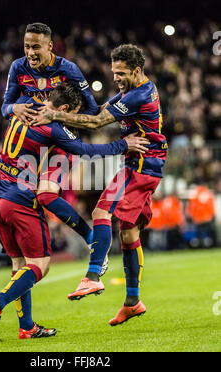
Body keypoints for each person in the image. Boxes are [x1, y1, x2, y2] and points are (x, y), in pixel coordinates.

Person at [0, 82, 150, 340]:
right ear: (64, 109)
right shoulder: (54, 128)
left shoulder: (24, 108)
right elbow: (86, 150)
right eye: (73, 112)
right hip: (20, 201)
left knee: (20, 264)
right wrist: (123, 145)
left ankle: (26, 327)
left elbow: (7, 105)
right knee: (40, 265)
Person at [0, 22, 100, 276]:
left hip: (59, 140)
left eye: (36, 46)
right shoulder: (18, 67)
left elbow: (92, 110)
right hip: (29, 141)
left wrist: (56, 118)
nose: (31, 52)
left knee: (47, 195)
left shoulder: (69, 70)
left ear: (50, 46)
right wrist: (15, 108)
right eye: (27, 46)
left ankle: (92, 239)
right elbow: (5, 107)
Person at [31, 44, 168, 326]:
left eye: (121, 73)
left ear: (137, 71)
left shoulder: (138, 94)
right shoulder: (136, 89)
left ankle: (92, 276)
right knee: (128, 232)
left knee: (100, 212)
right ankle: (132, 301)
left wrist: (56, 115)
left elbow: (97, 123)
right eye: (113, 72)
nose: (115, 77)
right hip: (145, 164)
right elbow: (102, 109)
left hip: (140, 165)